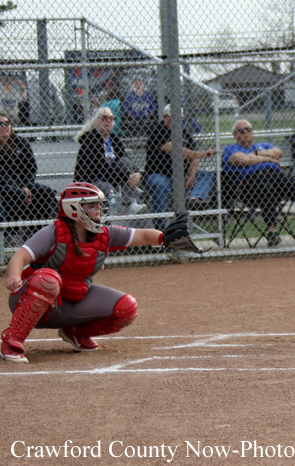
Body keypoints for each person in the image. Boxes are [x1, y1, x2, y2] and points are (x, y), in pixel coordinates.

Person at [0, 182, 196, 363]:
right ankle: (12, 340)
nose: (98, 210)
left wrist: (164, 239)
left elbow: (142, 234)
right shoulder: (54, 232)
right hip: (32, 298)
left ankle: (75, 332)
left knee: (126, 308)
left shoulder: (105, 233)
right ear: (73, 208)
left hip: (72, 301)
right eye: (91, 206)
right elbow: (20, 257)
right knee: (48, 280)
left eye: (98, 205)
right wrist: (14, 276)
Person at [222, 119, 295, 245]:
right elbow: (243, 160)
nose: (245, 132)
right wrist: (268, 159)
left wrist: (255, 154)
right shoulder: (230, 149)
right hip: (250, 185)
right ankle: (272, 232)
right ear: (234, 135)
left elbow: (278, 153)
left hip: (276, 179)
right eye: (241, 130)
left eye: (248, 129)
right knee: (266, 188)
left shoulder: (262, 145)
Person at [143, 105, 216, 230]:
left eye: (181, 119)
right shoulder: (157, 130)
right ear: (166, 117)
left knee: (206, 174)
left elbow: (193, 157)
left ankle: (194, 198)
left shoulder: (183, 132)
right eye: (175, 118)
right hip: (161, 175)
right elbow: (175, 149)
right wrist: (203, 154)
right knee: (159, 184)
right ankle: (160, 226)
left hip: (182, 177)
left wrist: (191, 175)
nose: (179, 122)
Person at [73, 107, 145, 215]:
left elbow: (127, 159)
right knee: (107, 188)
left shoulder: (114, 139)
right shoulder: (90, 140)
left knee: (124, 162)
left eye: (111, 118)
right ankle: (108, 216)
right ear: (96, 121)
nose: (109, 121)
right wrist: (126, 178)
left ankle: (130, 203)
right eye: (104, 118)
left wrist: (137, 173)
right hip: (93, 180)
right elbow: (101, 167)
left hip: (112, 177)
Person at [0, 113, 57, 245]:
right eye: (0, 124)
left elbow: (31, 167)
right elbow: (2, 174)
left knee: (45, 192)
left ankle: (37, 232)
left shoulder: (20, 142)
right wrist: (21, 186)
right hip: (4, 184)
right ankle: (11, 233)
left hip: (25, 183)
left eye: (7, 123)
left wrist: (26, 184)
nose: (4, 126)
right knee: (16, 193)